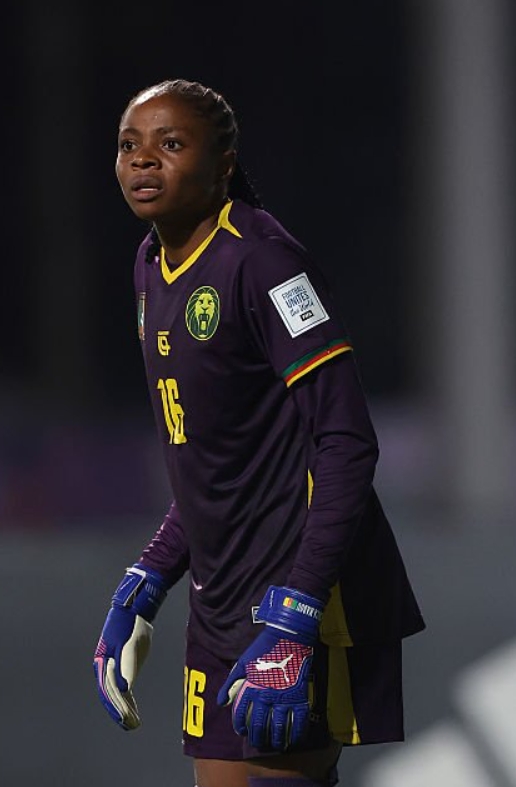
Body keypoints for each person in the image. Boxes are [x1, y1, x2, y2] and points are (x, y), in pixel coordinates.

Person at [92, 78, 425, 787]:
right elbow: (217, 461)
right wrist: (145, 579)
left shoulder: (264, 261)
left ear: (222, 163)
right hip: (219, 597)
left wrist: (297, 614)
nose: (143, 159)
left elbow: (345, 441)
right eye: (129, 145)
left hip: (302, 592)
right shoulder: (150, 266)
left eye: (170, 143)